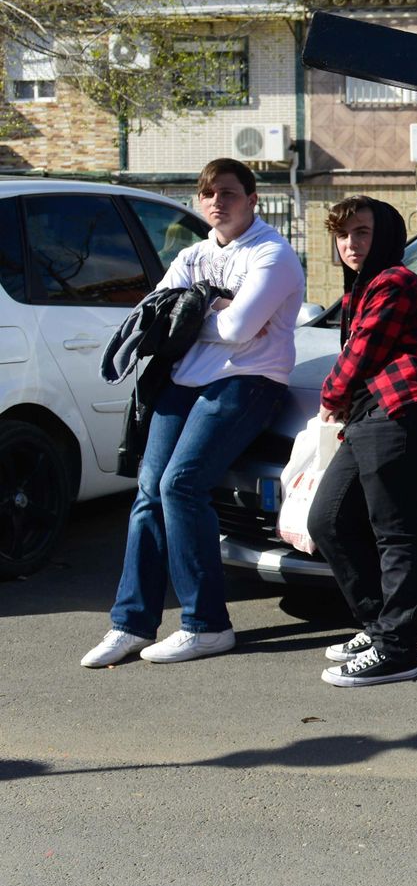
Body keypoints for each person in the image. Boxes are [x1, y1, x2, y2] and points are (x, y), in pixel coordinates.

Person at [82, 159, 305, 669]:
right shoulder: (194, 253)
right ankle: (130, 623)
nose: (216, 202)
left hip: (248, 379)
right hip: (183, 380)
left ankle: (206, 626)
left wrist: (196, 309)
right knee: (149, 489)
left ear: (252, 199)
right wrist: (212, 304)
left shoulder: (273, 253)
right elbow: (154, 319)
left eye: (228, 192)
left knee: (181, 485)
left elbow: (239, 332)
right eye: (207, 193)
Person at [311, 196, 417, 687]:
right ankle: (380, 627)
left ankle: (397, 651)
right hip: (370, 416)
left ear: (384, 235)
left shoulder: (395, 281)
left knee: (395, 533)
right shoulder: (362, 287)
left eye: (362, 232)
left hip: (403, 412)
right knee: (328, 521)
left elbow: (365, 349)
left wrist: (330, 395)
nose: (350, 244)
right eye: (343, 235)